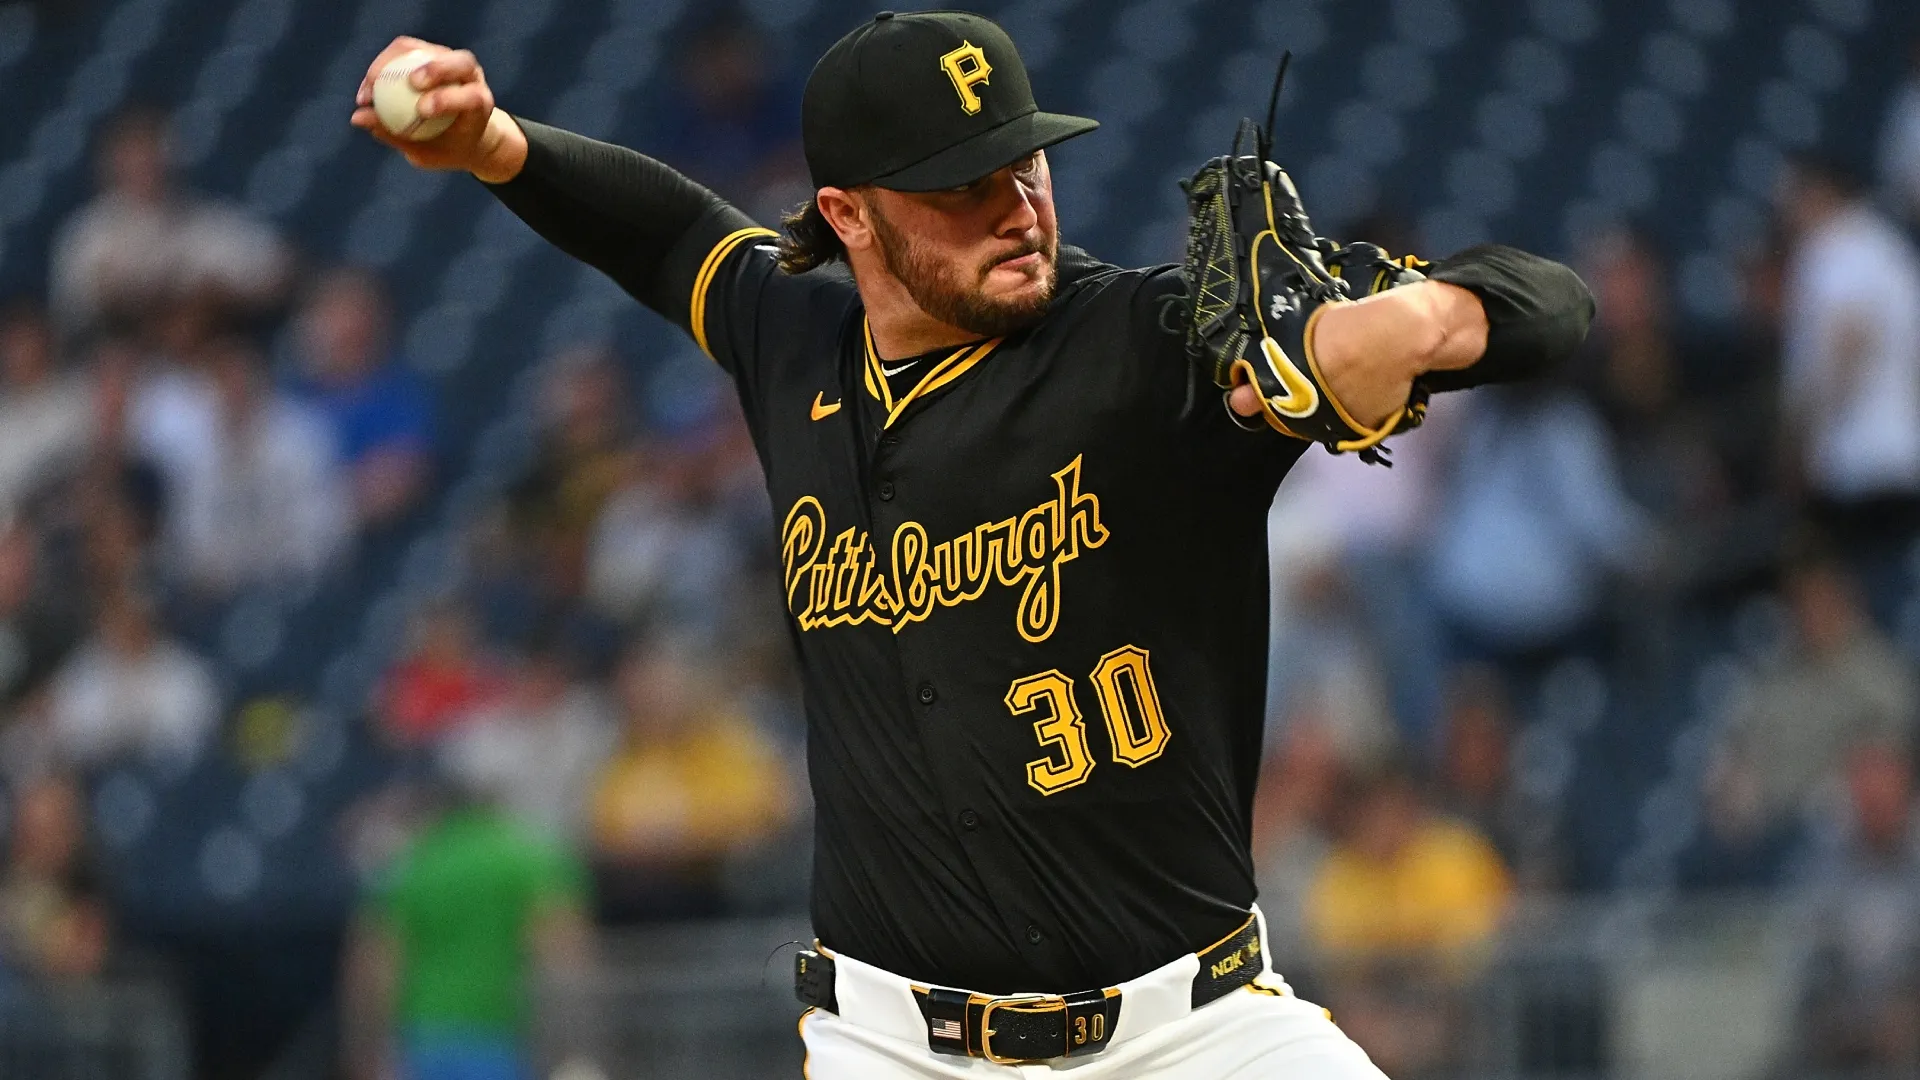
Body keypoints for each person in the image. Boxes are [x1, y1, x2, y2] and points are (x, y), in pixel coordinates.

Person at [350, 12, 1592, 1075]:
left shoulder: (1150, 347)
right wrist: (498, 147)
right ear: (847, 215)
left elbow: (1556, 303)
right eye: (961, 186)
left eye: (1025, 164)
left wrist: (1421, 321)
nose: (1017, 210)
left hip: (1194, 1033)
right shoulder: (793, 347)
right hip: (893, 1047)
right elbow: (672, 235)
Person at [341, 776, 594, 1080]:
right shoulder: (531, 862)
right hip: (500, 1033)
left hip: (422, 1038)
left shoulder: (407, 869)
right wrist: (574, 1040)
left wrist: (364, 1048)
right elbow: (563, 954)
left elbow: (374, 968)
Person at [50, 107, 289, 344]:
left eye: (152, 154)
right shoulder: (89, 233)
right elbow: (76, 310)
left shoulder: (205, 219)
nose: (145, 168)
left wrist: (214, 300)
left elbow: (278, 271)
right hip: (123, 356)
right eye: (134, 159)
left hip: (204, 354)